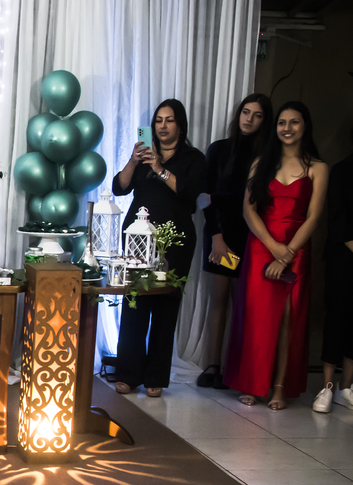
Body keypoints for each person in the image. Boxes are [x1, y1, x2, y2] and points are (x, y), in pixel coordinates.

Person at [225, 102, 328, 409]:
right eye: (282, 122)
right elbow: (248, 210)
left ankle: (280, 387)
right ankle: (252, 383)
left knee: (288, 319)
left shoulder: (318, 168)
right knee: (257, 316)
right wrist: (273, 248)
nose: (287, 128)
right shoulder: (262, 163)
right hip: (262, 246)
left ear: (305, 126)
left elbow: (314, 217)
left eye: (294, 122)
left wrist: (287, 254)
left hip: (296, 248)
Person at [112, 99, 206, 397]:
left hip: (174, 241)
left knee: (165, 307)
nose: (162, 126)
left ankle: (155, 377)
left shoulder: (193, 158)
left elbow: (190, 193)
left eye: (169, 120)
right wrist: (133, 160)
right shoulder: (143, 155)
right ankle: (128, 374)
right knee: (134, 304)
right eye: (158, 120)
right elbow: (119, 188)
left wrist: (159, 168)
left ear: (180, 125)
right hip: (138, 238)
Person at [197, 93, 272, 388]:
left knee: (243, 303)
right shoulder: (219, 149)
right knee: (219, 300)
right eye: (245, 112)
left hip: (251, 236)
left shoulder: (267, 156)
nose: (249, 119)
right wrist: (217, 236)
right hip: (219, 234)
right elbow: (204, 196)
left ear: (264, 121)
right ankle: (213, 365)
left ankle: (236, 369)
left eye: (257, 115)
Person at [314, 146, 353, 412]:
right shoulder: (341, 169)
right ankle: (326, 387)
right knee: (336, 318)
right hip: (343, 257)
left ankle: (345, 387)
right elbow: (337, 219)